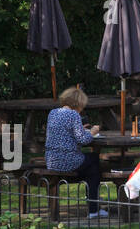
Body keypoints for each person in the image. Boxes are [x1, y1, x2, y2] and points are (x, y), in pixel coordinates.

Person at [44, 84, 106, 219]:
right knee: (94, 161)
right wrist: (93, 131)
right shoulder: (73, 115)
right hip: (68, 160)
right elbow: (83, 140)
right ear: (77, 103)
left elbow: (64, 133)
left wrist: (80, 129)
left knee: (91, 168)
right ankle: (93, 208)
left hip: (51, 160)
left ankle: (94, 207)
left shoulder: (53, 113)